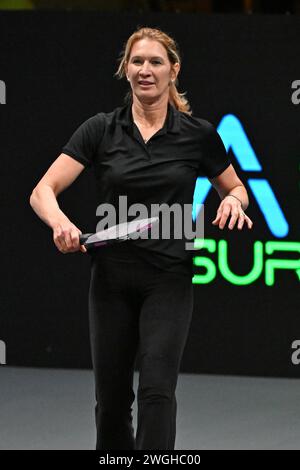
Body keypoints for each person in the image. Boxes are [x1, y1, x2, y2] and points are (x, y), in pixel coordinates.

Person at [29, 26, 253, 450]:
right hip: (111, 281)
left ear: (174, 69)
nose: (145, 70)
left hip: (168, 279)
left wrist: (234, 203)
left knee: (156, 390)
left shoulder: (198, 134)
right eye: (136, 62)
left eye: (155, 62)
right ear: (125, 69)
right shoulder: (101, 130)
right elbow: (42, 191)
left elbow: (236, 188)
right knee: (111, 403)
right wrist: (59, 222)